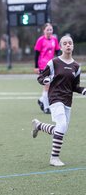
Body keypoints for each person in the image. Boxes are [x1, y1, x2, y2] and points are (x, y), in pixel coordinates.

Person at [31, 35, 85, 167]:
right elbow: (40, 77)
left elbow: (75, 87)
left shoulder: (76, 66)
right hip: (55, 98)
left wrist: (83, 90)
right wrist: (45, 80)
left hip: (67, 100)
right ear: (60, 47)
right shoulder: (54, 62)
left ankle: (38, 125)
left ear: (73, 46)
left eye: (70, 43)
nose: (68, 45)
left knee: (61, 129)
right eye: (65, 43)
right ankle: (54, 158)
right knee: (61, 126)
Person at [34, 23, 60, 114]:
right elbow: (36, 55)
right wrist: (36, 67)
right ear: (44, 30)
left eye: (51, 29)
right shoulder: (40, 40)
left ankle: (41, 100)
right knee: (47, 86)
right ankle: (46, 107)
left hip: (52, 66)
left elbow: (58, 52)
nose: (49, 31)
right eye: (48, 29)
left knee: (52, 86)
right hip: (43, 66)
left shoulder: (54, 40)